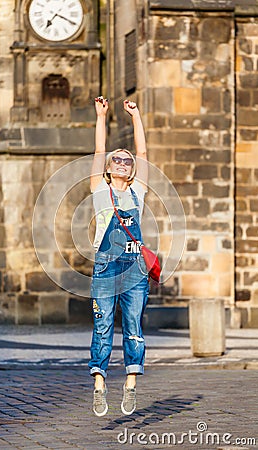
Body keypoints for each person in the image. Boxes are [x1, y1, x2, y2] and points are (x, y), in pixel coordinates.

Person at [89, 96, 150, 417]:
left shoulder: (138, 191)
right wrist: (102, 116)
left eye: (127, 160)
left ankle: (129, 385)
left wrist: (135, 116)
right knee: (101, 328)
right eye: (117, 160)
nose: (123, 161)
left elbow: (143, 153)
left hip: (135, 269)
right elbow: (99, 152)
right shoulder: (100, 189)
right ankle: (99, 386)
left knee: (133, 326)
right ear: (110, 169)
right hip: (105, 267)